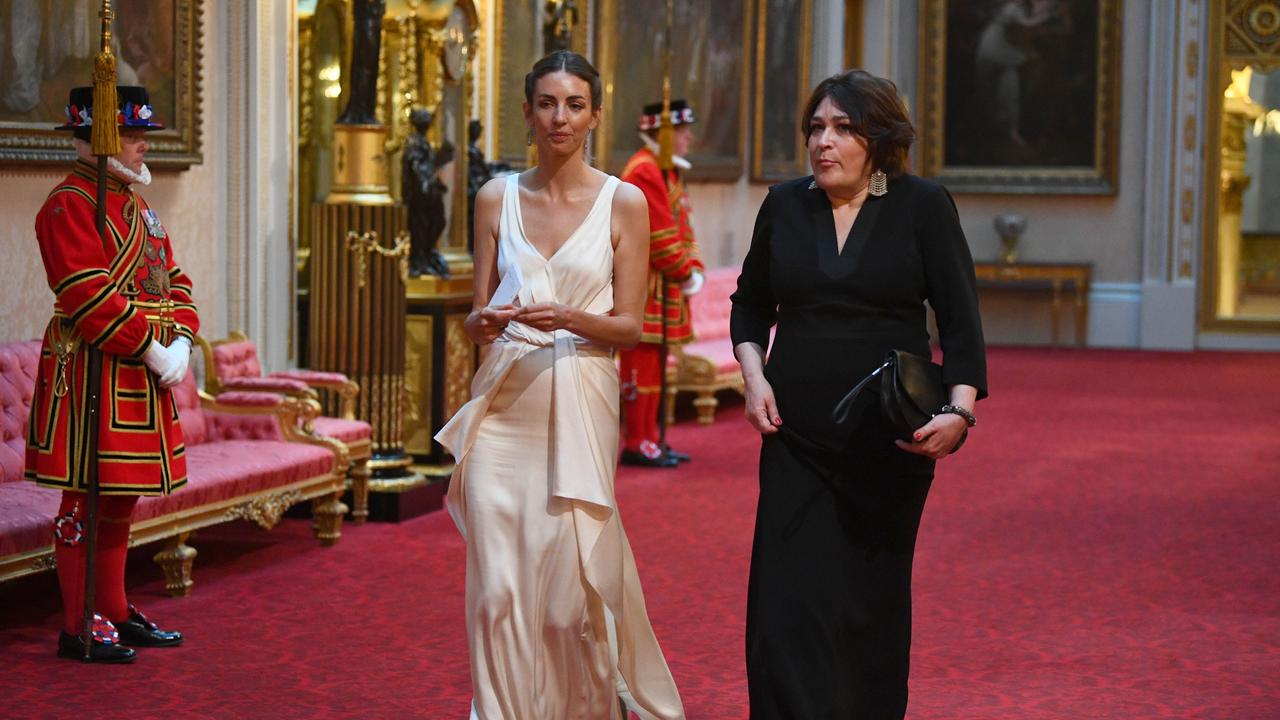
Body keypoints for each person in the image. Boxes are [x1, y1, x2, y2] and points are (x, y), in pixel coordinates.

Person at [434, 50, 685, 719]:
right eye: (547, 103)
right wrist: (483, 321)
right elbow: (475, 318)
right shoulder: (496, 197)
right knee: (494, 596)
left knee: (561, 606)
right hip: (502, 412)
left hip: (580, 404)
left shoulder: (624, 202)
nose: (560, 117)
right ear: (527, 112)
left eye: (575, 104)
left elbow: (631, 327)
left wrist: (570, 316)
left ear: (595, 115)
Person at [730, 70, 987, 717]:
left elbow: (960, 322)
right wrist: (754, 376)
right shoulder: (785, 204)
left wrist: (960, 410)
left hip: (888, 445)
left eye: (843, 128)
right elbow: (750, 306)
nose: (825, 141)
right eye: (817, 127)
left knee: (866, 608)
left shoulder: (923, 206)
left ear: (879, 137)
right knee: (784, 613)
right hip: (794, 438)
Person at [28, 85, 197, 663]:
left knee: (122, 496)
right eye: (131, 134)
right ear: (97, 138)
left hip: (139, 373)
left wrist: (181, 341)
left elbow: (177, 280)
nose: (143, 144)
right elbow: (85, 295)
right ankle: (78, 625)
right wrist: (150, 347)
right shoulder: (68, 204)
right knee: (84, 496)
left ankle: (116, 612)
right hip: (93, 367)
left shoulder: (139, 207)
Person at [617, 99, 704, 467]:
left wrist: (694, 265)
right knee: (642, 367)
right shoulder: (644, 171)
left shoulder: (667, 171)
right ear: (664, 134)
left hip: (664, 287)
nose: (689, 139)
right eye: (683, 133)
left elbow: (684, 228)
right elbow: (658, 235)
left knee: (656, 364)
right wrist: (685, 271)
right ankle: (637, 441)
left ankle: (652, 437)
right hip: (645, 286)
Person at [402, 107, 454, 278]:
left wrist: (443, 156)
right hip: (419, 195)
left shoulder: (423, 141)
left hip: (429, 191)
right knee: (421, 227)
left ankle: (426, 254)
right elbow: (415, 166)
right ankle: (420, 259)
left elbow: (428, 166)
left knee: (438, 222)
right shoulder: (414, 142)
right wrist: (424, 183)